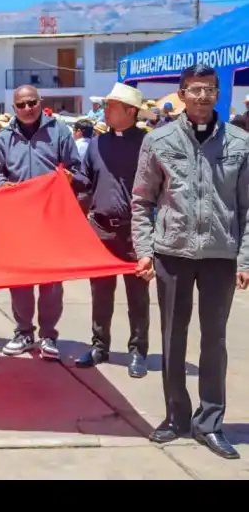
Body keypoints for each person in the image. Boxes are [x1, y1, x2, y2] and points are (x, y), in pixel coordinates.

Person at [132, 64, 249, 460]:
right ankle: (175, 417)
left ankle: (210, 422)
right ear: (181, 94)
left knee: (214, 340)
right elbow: (142, 201)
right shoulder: (159, 140)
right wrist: (145, 250)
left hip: (221, 255)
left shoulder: (239, 141)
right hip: (173, 254)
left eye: (210, 89)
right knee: (172, 338)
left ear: (219, 94)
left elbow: (247, 207)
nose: (202, 96)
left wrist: (245, 257)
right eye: (195, 89)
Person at [0, 84, 84, 360]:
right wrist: (3, 185)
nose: (27, 108)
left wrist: (69, 177)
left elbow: (77, 170)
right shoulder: (3, 138)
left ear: (40, 102)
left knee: (51, 282)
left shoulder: (59, 132)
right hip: (18, 221)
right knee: (20, 280)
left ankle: (48, 335)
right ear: (14, 108)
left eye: (32, 102)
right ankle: (23, 332)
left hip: (51, 219)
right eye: (21, 105)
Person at [73, 83, 150, 379]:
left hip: (136, 232)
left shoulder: (148, 143)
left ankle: (137, 351)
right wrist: (68, 179)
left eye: (111, 106)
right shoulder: (97, 144)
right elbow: (85, 180)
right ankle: (99, 346)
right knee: (100, 294)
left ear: (130, 112)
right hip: (101, 229)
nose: (105, 110)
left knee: (138, 297)